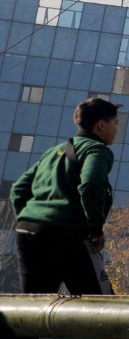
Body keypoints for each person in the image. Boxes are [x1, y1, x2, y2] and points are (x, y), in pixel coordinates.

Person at [9, 97, 118, 295]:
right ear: (101, 125)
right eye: (115, 123)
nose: (117, 129)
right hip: (64, 234)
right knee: (100, 306)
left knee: (35, 305)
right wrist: (95, 228)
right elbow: (91, 184)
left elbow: (19, 189)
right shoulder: (96, 150)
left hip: (26, 232)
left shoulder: (53, 151)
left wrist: (30, 217)